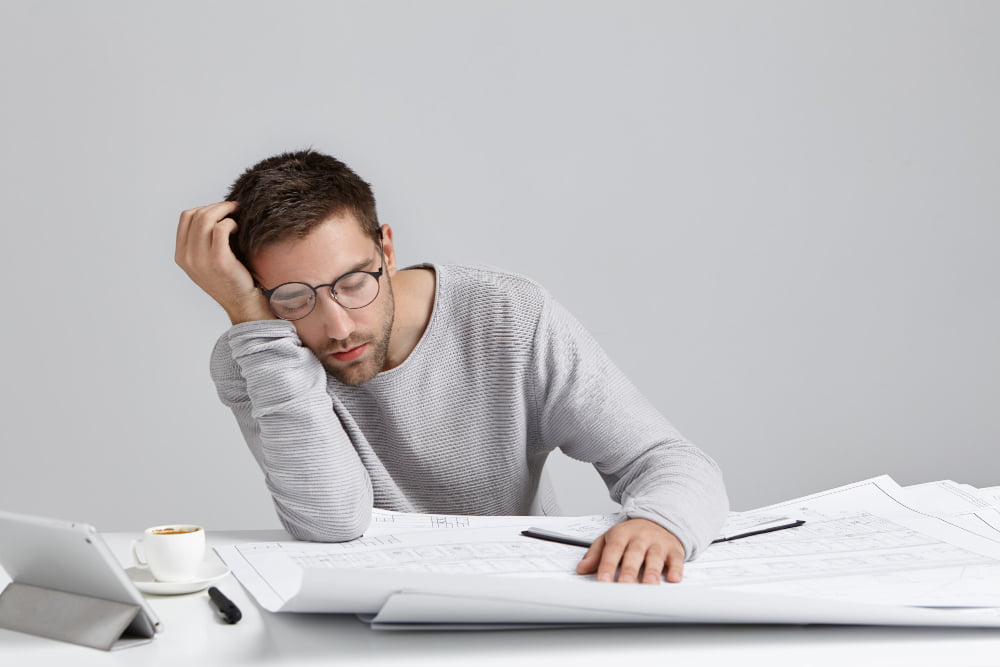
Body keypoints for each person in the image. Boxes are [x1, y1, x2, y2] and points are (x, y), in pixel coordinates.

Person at [175, 149, 728, 585]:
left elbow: (668, 460)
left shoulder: (507, 315)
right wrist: (251, 320)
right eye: (293, 299)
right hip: (360, 623)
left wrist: (659, 523)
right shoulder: (258, 354)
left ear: (386, 250)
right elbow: (333, 522)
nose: (338, 326)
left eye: (353, 283)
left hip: (523, 599)